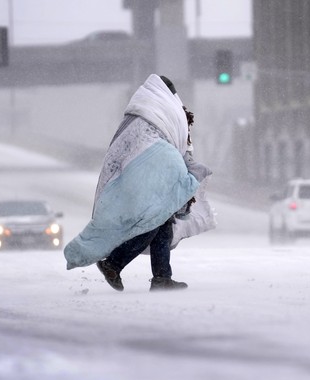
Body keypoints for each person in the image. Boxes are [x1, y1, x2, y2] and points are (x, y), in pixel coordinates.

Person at [64, 74, 213, 291]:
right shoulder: (163, 112)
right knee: (153, 221)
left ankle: (162, 277)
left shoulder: (139, 115)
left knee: (162, 222)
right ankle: (114, 263)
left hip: (136, 176)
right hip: (147, 176)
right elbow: (174, 143)